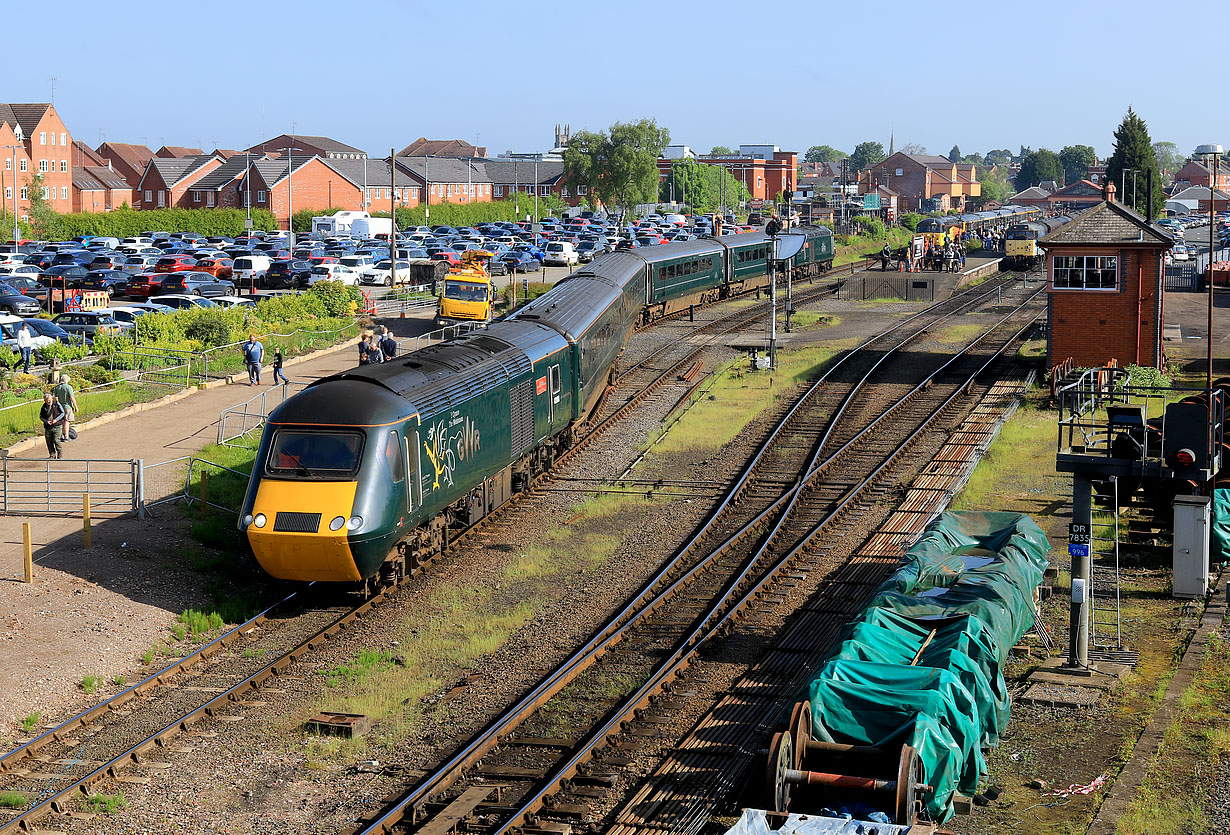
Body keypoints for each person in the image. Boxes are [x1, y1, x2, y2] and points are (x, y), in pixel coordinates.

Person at [52, 374, 78, 442]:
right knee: (67, 421)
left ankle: (62, 435)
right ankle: (66, 436)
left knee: (62, 421)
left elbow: (53, 396)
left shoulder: (57, 387)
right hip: (67, 406)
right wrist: (76, 407)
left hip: (60, 406)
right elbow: (72, 397)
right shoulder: (68, 387)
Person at [39, 394, 65, 459]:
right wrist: (46, 421)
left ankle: (59, 452)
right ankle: (52, 454)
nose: (49, 402)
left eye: (50, 400)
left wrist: (56, 419)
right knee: (49, 440)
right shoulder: (44, 407)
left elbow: (62, 413)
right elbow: (41, 416)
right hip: (48, 426)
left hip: (57, 425)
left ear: (52, 399)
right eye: (47, 401)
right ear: (45, 401)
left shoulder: (57, 404)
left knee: (56, 440)